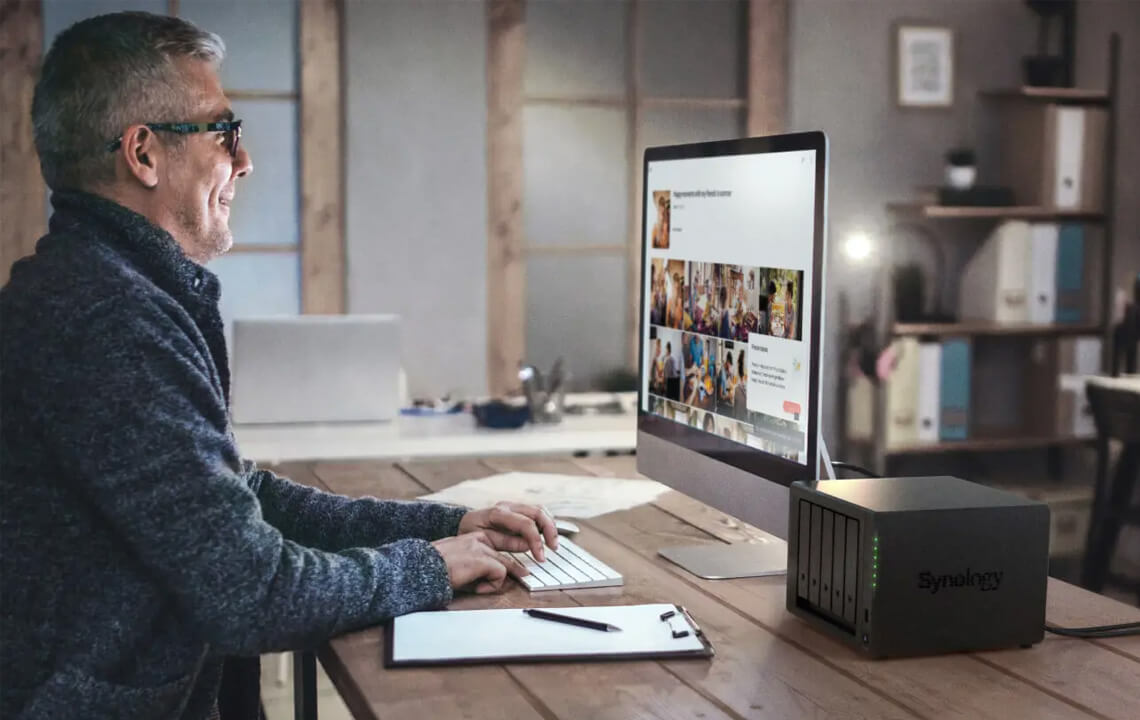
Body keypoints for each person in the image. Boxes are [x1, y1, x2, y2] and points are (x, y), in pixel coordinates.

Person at [0, 13, 557, 720]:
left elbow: (238, 500)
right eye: (224, 131)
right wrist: (427, 566)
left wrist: (442, 526)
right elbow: (251, 593)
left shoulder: (100, 288)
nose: (246, 160)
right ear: (143, 154)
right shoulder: (106, 321)